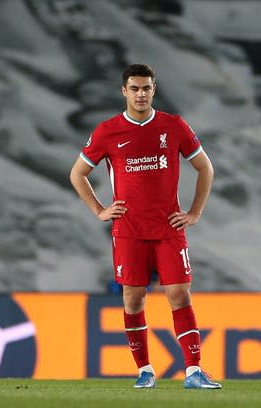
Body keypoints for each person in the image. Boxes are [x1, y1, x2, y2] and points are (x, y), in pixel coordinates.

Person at [69, 64, 221, 390]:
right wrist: (99, 210)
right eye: (135, 88)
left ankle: (193, 371)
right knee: (133, 300)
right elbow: (77, 173)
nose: (141, 94)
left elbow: (205, 168)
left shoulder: (174, 126)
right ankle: (145, 370)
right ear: (124, 91)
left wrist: (194, 212)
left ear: (154, 90)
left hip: (168, 228)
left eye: (146, 88)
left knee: (179, 295)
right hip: (129, 231)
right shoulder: (108, 131)